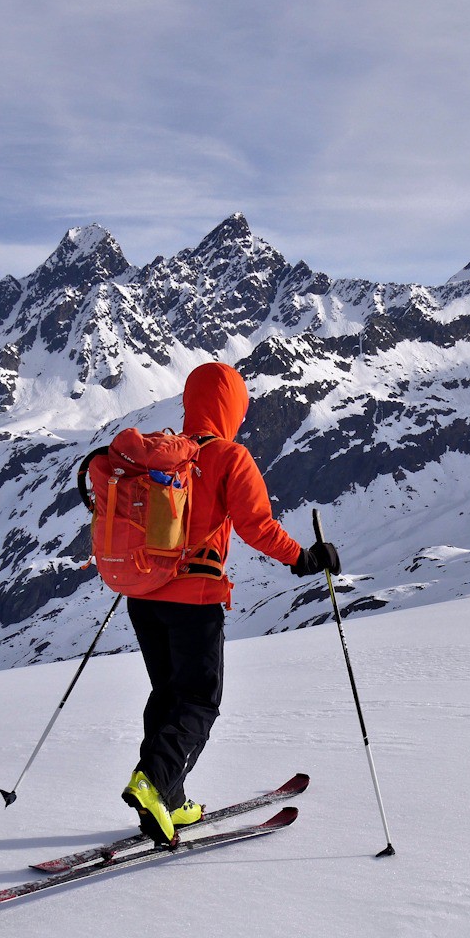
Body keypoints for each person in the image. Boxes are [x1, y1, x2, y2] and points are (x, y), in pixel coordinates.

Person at [120, 361, 339, 846]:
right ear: (233, 407)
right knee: (198, 699)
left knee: (168, 695)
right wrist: (303, 558)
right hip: (193, 600)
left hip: (143, 596)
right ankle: (154, 782)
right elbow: (257, 526)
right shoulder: (228, 456)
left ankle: (169, 801)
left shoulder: (161, 456)